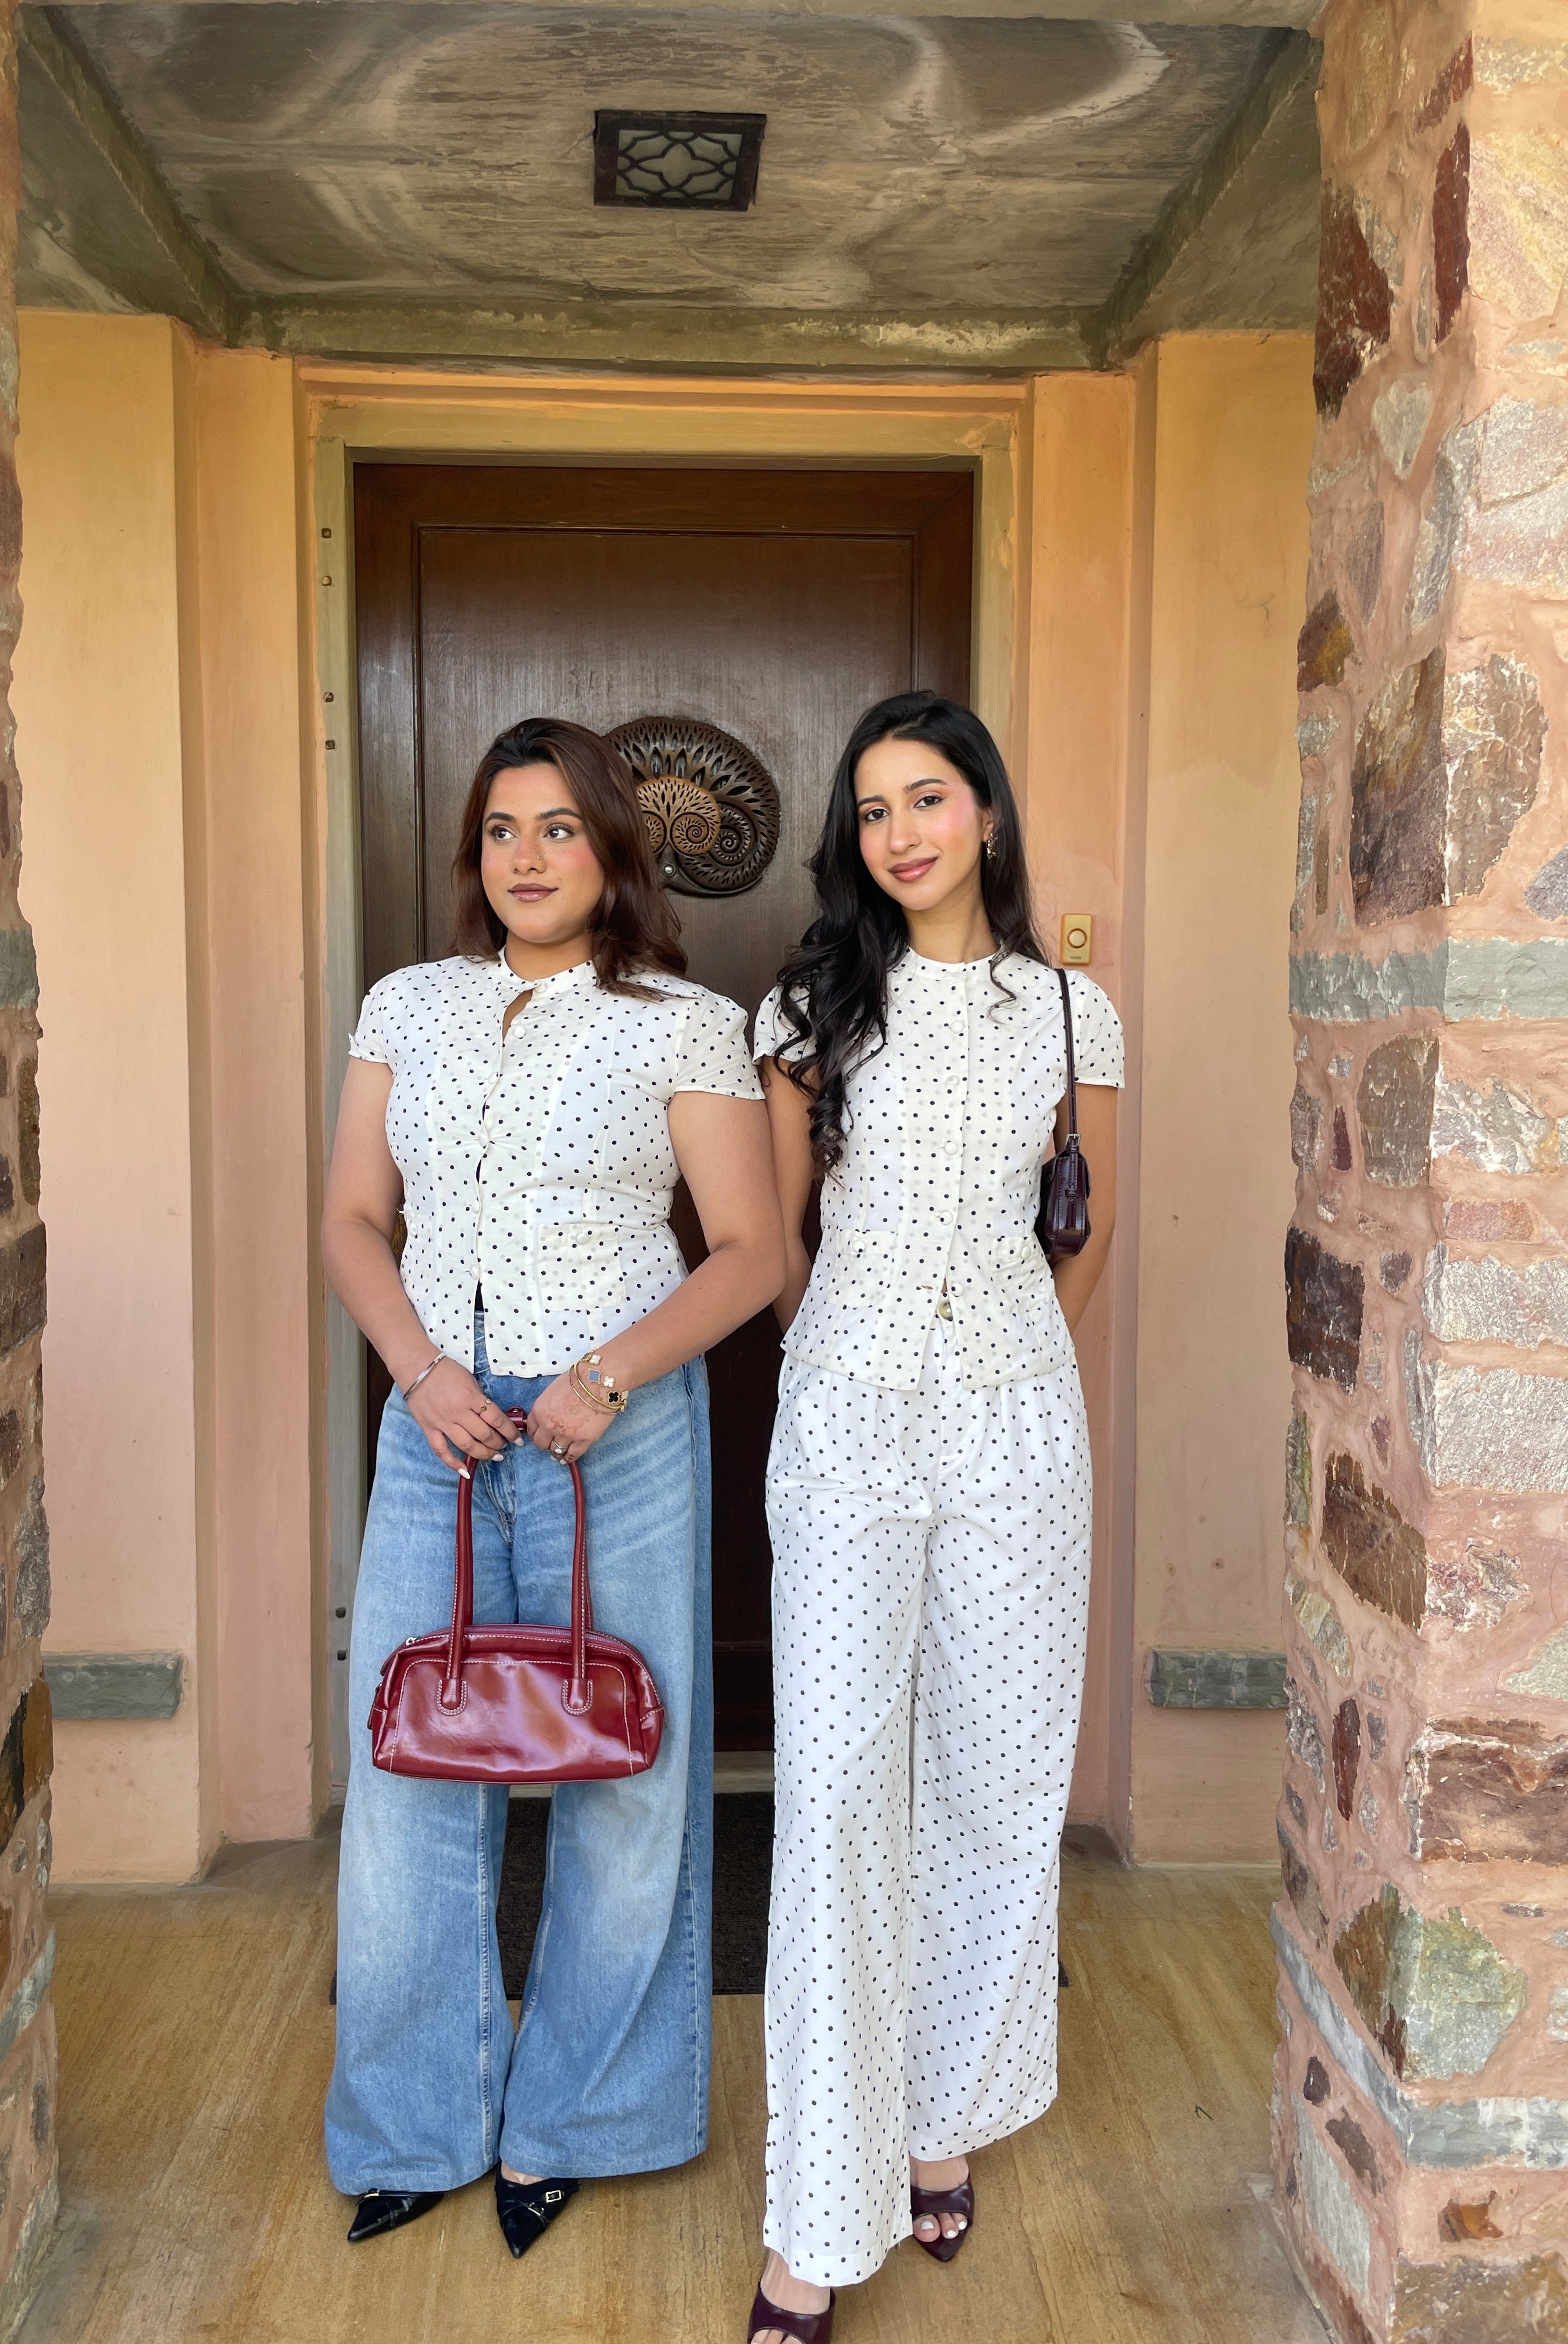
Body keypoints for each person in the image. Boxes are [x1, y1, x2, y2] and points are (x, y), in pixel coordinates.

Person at [322, 716, 783, 2259]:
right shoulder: (408, 1006)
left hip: (617, 1435)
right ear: (477, 854)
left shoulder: (683, 1024)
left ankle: (581, 2116)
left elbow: (751, 1253)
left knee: (627, 1779)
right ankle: (414, 2124)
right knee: (409, 1774)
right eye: (503, 830)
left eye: (560, 828)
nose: (528, 857)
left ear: (612, 851)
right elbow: (351, 1219)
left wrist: (606, 1378)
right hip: (438, 1426)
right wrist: (419, 1373)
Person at [747, 691, 1122, 2343]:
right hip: (847, 1416)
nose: (900, 832)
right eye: (874, 808)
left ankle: (940, 2115)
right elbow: (778, 1240)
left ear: (987, 811)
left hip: (1019, 1428)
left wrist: (1013, 1367)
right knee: (835, 1791)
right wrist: (842, 1359)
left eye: (928, 798)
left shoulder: (1071, 1014)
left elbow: (1083, 1231)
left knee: (998, 1779)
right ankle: (816, 2215)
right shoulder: (809, 1004)